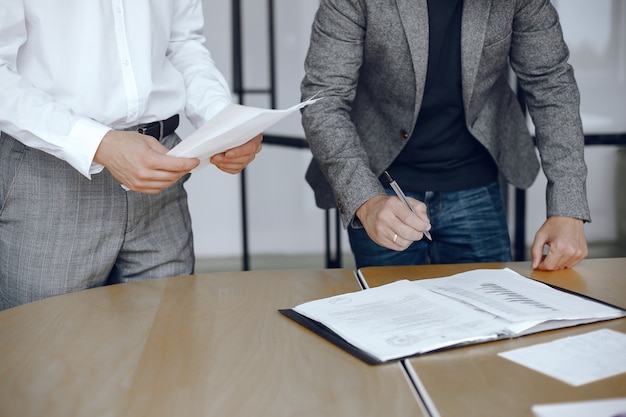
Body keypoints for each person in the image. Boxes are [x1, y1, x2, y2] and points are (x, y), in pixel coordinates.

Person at [0, 0, 262, 310]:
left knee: (167, 341)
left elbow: (183, 44)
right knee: (49, 345)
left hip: (162, 180)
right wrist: (101, 144)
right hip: (51, 178)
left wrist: (222, 119)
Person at [301, 0, 590, 270]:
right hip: (382, 183)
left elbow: (551, 85)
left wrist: (568, 208)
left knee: (492, 312)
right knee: (392, 316)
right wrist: (366, 200)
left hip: (474, 179)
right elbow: (324, 101)